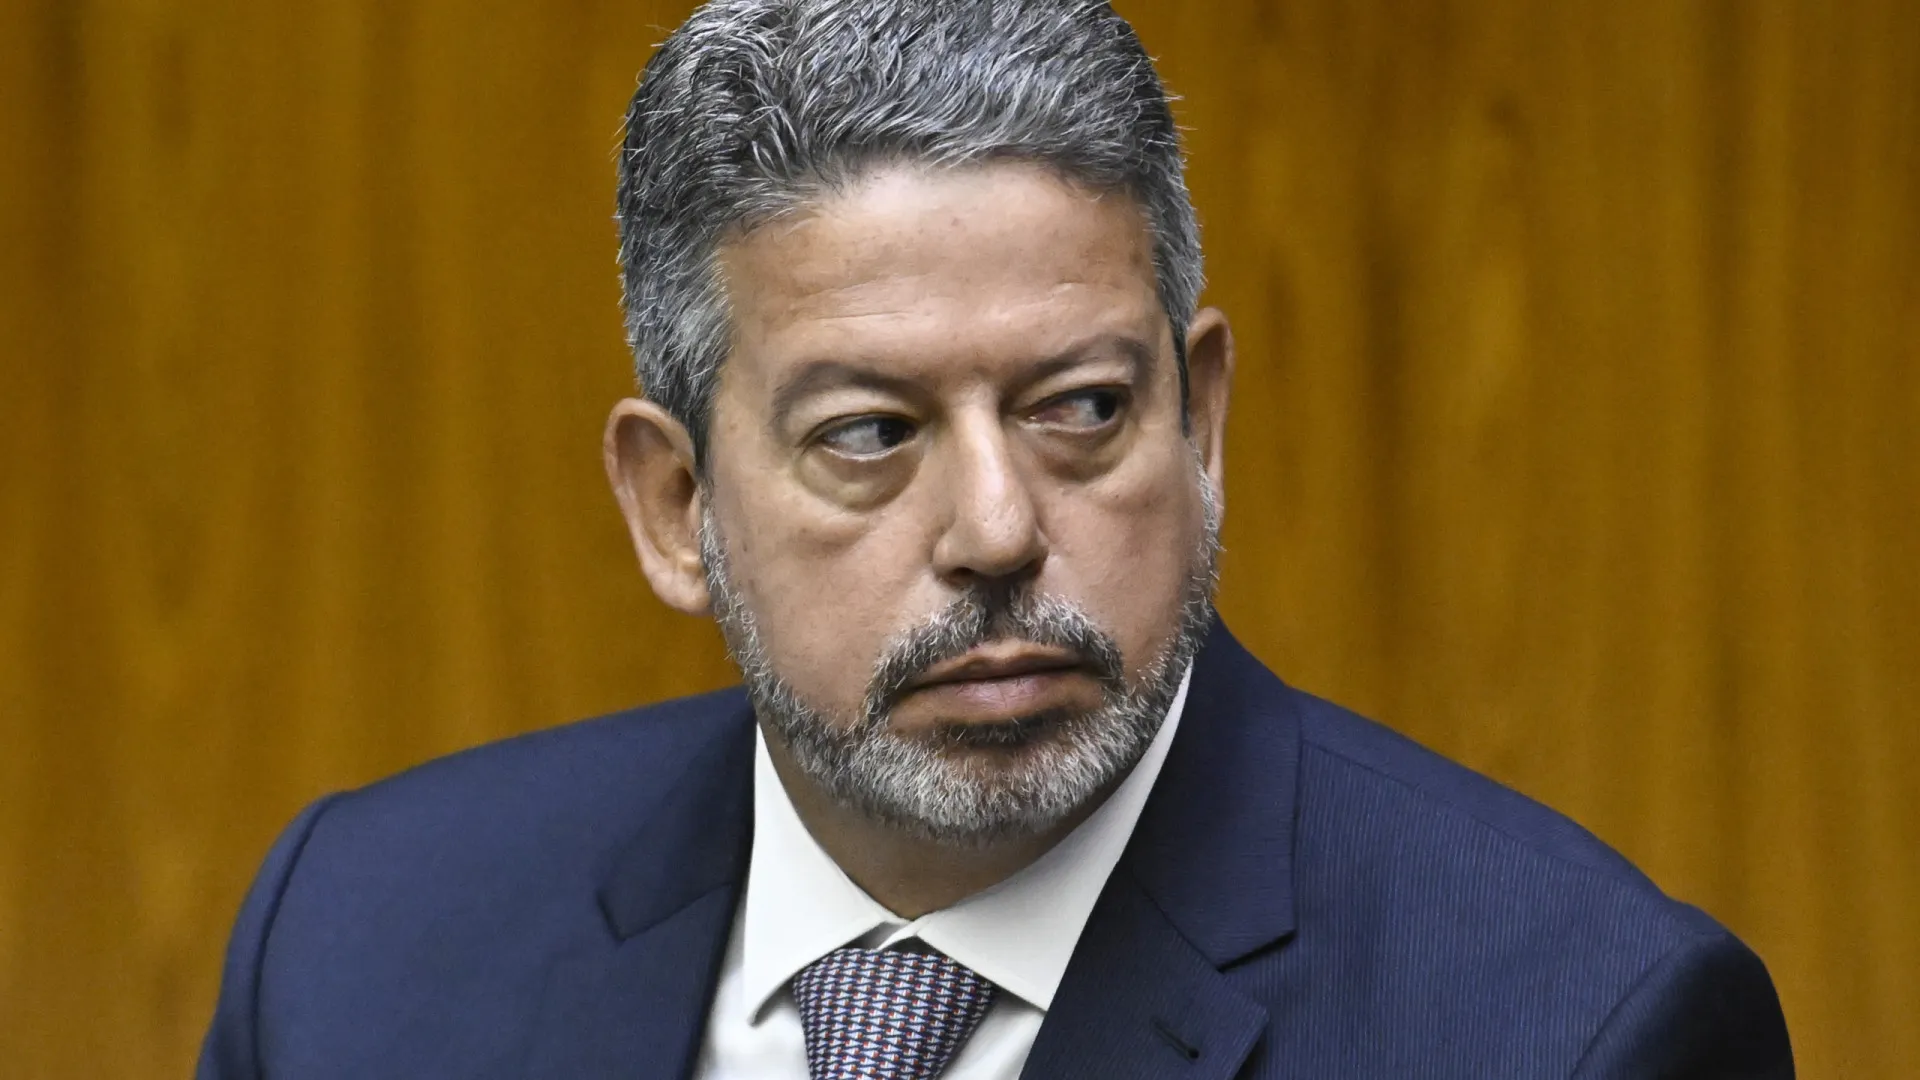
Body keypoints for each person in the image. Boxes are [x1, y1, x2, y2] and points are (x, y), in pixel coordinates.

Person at [197, 1, 1794, 1077]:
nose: (998, 528)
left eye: (1081, 408)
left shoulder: (1575, 1028)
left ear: (1200, 424)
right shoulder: (356, 947)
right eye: (869, 434)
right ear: (676, 508)